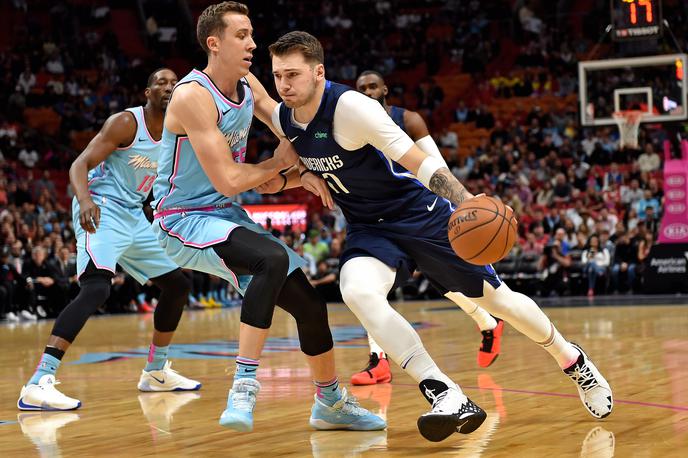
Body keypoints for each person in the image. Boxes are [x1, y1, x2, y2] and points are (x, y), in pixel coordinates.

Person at [263, 31, 613, 442]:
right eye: (277, 76)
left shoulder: (352, 108)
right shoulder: (285, 116)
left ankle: (572, 360)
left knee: (499, 302)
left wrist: (467, 201)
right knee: (356, 290)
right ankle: (443, 391)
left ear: (318, 73)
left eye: (293, 75)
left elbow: (419, 162)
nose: (284, 85)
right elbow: (251, 94)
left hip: (420, 215)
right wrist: (303, 175)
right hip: (368, 228)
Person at [150, 2, 384, 433]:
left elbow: (285, 124)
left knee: (311, 306)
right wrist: (280, 165)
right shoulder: (191, 96)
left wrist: (307, 168)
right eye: (242, 35)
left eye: (252, 34)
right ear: (214, 43)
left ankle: (330, 402)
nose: (253, 43)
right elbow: (229, 179)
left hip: (227, 216)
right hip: (181, 219)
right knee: (272, 259)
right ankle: (243, 384)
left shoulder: (244, 80)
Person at [18, 68, 201, 412]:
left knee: (178, 285)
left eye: (174, 83)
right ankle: (38, 382)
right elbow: (79, 164)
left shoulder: (179, 134)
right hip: (100, 206)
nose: (168, 87)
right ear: (147, 92)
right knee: (97, 288)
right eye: (160, 82)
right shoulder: (126, 124)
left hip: (134, 214)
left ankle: (155, 371)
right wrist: (85, 201)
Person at [350, 70, 503, 386]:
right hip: (381, 216)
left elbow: (435, 166)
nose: (367, 91)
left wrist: (461, 204)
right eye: (361, 87)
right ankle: (378, 360)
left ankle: (488, 321)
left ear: (385, 89)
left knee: (446, 283)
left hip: (424, 208)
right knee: (370, 288)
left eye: (372, 86)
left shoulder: (408, 120)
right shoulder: (351, 123)